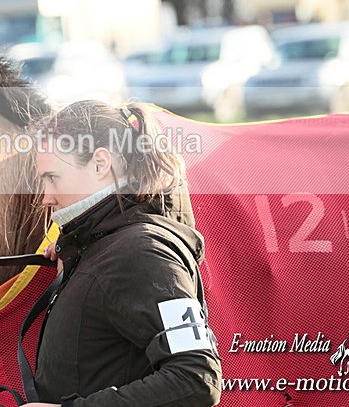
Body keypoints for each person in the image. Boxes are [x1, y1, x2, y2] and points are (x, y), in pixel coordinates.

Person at [23, 100, 222, 407]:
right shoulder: (105, 243)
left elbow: (196, 379)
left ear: (100, 163)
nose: (46, 197)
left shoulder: (141, 253)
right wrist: (76, 249)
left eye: (53, 178)